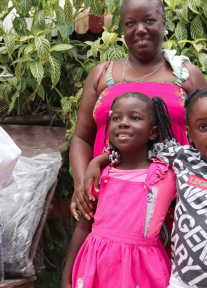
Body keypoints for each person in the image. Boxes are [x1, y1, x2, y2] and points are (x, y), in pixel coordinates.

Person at [85, 87, 207, 288]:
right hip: (181, 283)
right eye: (203, 127)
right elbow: (137, 148)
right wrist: (97, 161)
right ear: (189, 133)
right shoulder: (183, 159)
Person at [68, 0, 207, 252]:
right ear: (122, 28)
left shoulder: (188, 76)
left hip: (174, 207)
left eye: (149, 20)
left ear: (164, 23)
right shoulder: (102, 75)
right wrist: (81, 184)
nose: (140, 29)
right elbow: (81, 137)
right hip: (108, 203)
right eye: (131, 23)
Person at [61, 93, 179, 288]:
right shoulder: (101, 175)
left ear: (153, 132)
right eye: (116, 118)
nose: (123, 123)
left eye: (135, 118)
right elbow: (84, 226)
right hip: (96, 267)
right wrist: (66, 280)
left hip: (142, 271)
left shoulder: (166, 175)